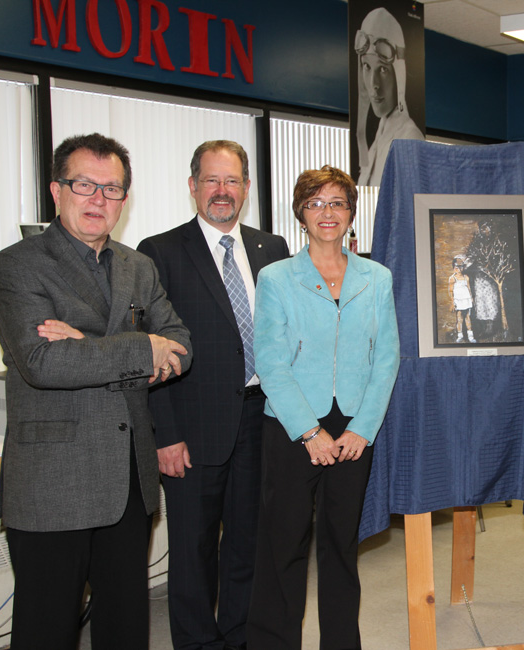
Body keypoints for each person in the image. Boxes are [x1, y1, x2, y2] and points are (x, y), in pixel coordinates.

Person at [0, 133, 192, 650]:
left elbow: (182, 346)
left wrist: (89, 345)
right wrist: (142, 348)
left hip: (129, 480)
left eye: (112, 188)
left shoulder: (138, 266)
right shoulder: (15, 264)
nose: (99, 199)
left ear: (125, 198)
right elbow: (43, 363)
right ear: (57, 190)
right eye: (84, 185)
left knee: (125, 628)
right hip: (54, 483)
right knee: (46, 630)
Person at [137, 141, 289, 650]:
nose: (222, 191)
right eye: (211, 180)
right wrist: (165, 434)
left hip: (262, 418)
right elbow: (150, 351)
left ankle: (239, 638)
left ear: (247, 187)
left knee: (248, 543)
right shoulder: (159, 251)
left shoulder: (272, 248)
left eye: (232, 181)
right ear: (193, 186)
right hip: (192, 427)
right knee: (192, 551)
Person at [245, 165, 400, 650]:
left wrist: (364, 428)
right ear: (301, 214)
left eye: (336, 203)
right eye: (315, 203)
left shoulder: (377, 277)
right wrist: (309, 433)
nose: (326, 212)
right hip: (293, 427)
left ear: (351, 213)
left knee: (341, 546)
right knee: (283, 546)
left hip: (354, 428)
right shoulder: (276, 278)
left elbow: (387, 358)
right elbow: (270, 362)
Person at [355, 7, 424, 186]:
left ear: (398, 74)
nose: (374, 84)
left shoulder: (409, 139)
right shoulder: (379, 140)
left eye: (383, 70)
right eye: (367, 67)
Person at [448, 256, 476, 343]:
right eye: (456, 267)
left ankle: (470, 336)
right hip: (458, 300)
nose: (459, 269)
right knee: (459, 318)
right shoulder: (452, 278)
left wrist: (471, 298)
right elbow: (450, 291)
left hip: (466, 299)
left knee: (467, 317)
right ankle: (460, 335)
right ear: (453, 268)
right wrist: (452, 302)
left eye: (460, 267)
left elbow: (469, 288)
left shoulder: (466, 277)